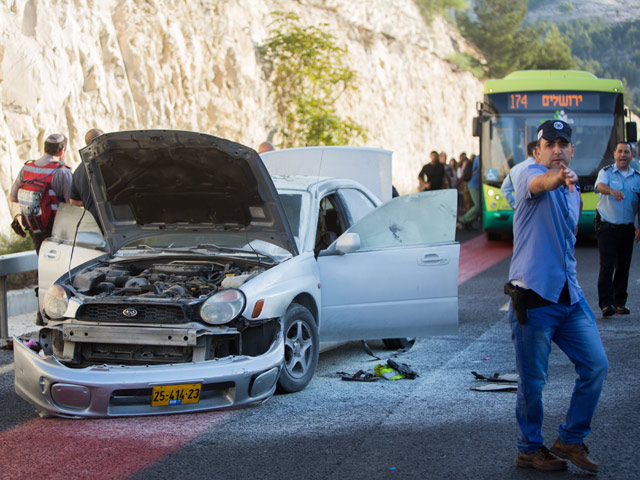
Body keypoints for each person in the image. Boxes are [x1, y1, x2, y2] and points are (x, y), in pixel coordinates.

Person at [506, 120, 608, 473]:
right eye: (549, 145)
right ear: (538, 151)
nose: (557, 150)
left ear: (572, 149)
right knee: (533, 384)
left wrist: (567, 184)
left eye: (563, 144)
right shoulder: (528, 176)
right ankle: (529, 448)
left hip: (569, 297)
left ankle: (570, 439)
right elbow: (541, 182)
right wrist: (557, 178)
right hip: (533, 299)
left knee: (596, 366)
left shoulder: (573, 192)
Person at [594, 142, 640, 316]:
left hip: (627, 228)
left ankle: (620, 302)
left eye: (626, 152)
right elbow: (599, 187)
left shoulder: (637, 177)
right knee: (607, 266)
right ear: (614, 154)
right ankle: (606, 304)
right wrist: (612, 191)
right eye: (620, 152)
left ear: (631, 155)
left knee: (623, 267)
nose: (623, 155)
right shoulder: (605, 173)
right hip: (607, 227)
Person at [9, 133, 72, 254]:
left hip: (33, 225)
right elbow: (72, 202)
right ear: (62, 151)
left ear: (45, 148)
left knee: (42, 258)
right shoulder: (62, 172)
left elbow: (13, 197)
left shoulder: (27, 168)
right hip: (55, 227)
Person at [69, 128, 105, 226]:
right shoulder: (112, 164)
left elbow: (73, 202)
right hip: (117, 225)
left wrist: (88, 202)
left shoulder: (78, 171)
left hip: (93, 225)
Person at [501, 141, 538, 209]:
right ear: (536, 151)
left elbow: (505, 189)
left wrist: (516, 205)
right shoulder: (541, 168)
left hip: (521, 211)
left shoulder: (514, 169)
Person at [458, 153, 481, 229]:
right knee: (477, 205)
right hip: (474, 185)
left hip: (476, 185)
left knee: (474, 205)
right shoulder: (479, 158)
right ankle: (464, 219)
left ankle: (468, 221)